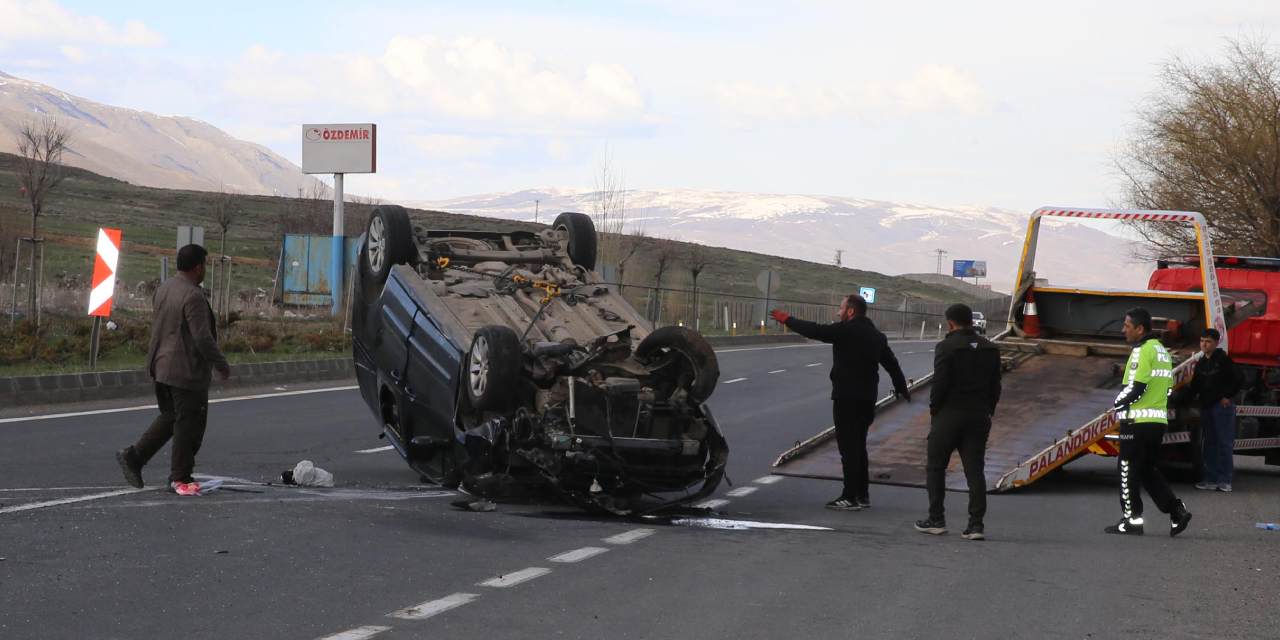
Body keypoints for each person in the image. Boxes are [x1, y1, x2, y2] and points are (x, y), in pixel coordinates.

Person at [770, 294, 910, 511]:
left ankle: (849, 496)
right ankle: (862, 495)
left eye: (841, 308)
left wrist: (787, 319)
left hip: (846, 398)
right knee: (859, 446)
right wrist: (902, 388)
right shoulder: (876, 336)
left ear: (851, 311)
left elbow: (815, 330)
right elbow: (891, 364)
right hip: (867, 398)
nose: (838, 311)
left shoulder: (845, 331)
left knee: (848, 448)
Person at [115, 244, 230, 496]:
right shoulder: (193, 296)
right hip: (185, 371)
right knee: (189, 424)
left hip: (160, 366)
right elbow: (202, 337)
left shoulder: (165, 288)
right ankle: (181, 477)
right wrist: (221, 364)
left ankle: (135, 457)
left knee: (171, 418)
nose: (205, 270)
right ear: (198, 266)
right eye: (205, 265)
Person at [913, 303, 1002, 541]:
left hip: (950, 414)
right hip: (979, 415)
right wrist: (988, 409)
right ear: (971, 322)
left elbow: (940, 383)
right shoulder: (990, 348)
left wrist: (934, 409)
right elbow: (996, 385)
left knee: (936, 466)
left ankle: (936, 519)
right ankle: (975, 525)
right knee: (974, 470)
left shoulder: (946, 347)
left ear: (950, 323)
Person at [1105, 307, 1193, 536]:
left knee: (1126, 469)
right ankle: (1177, 512)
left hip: (1136, 422)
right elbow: (1168, 387)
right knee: (1147, 470)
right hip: (1157, 422)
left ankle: (1131, 521)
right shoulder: (1161, 351)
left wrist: (1116, 404)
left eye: (1127, 326)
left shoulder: (1141, 351)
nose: (1123, 330)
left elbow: (1137, 386)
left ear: (1140, 329)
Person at [1184, 328, 1241, 492]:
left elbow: (1238, 379)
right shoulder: (1201, 362)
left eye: (1208, 341)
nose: (1204, 344)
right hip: (1207, 407)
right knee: (1209, 444)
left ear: (1216, 343)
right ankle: (1211, 479)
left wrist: (1227, 396)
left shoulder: (1223, 360)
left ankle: (1225, 480)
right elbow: (1195, 386)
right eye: (1202, 341)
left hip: (1221, 407)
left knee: (1224, 443)